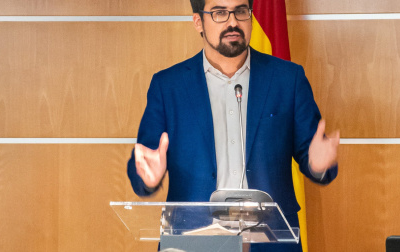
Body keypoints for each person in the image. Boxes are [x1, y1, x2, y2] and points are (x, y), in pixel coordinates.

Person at [127, 0, 340, 251]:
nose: (232, 22)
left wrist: (317, 165)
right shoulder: (168, 86)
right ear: (199, 22)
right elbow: (143, 162)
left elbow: (313, 157)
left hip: (271, 242)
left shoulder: (287, 79)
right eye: (219, 13)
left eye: (240, 11)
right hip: (192, 240)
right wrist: (148, 177)